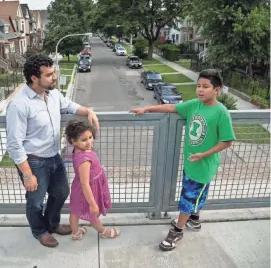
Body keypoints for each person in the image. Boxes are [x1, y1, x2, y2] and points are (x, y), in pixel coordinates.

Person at [130, 69, 236, 251]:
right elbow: (171, 108)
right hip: (191, 162)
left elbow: (227, 141)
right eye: (198, 86)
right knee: (197, 194)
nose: (200, 90)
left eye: (205, 87)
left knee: (188, 198)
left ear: (216, 90)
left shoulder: (221, 112)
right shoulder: (195, 105)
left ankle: (177, 231)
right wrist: (146, 108)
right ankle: (193, 220)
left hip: (203, 165)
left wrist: (203, 154)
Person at [6, 55, 99, 248]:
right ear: (34, 78)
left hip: (54, 157)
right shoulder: (19, 104)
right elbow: (14, 144)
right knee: (35, 201)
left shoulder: (53, 94)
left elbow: (70, 105)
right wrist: (27, 174)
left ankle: (52, 224)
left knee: (61, 192)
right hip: (34, 162)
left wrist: (88, 111)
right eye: (49, 75)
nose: (54, 77)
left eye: (53, 72)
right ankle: (39, 231)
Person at [64, 120, 120, 240]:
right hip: (87, 190)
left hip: (78, 188)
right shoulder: (84, 160)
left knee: (75, 211)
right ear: (73, 141)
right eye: (84, 140)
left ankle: (75, 234)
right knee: (93, 214)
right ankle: (104, 232)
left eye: (90, 137)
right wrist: (93, 204)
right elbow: (85, 183)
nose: (89, 142)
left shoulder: (79, 150)